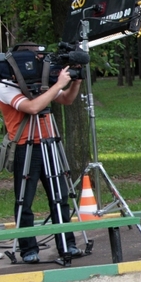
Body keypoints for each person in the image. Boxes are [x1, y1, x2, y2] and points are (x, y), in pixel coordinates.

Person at [0, 44, 84, 264]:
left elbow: (66, 100)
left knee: (60, 196)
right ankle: (28, 248)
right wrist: (58, 85)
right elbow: (33, 107)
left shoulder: (41, 86)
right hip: (24, 146)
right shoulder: (5, 87)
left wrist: (74, 82)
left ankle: (67, 243)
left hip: (49, 143)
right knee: (24, 200)